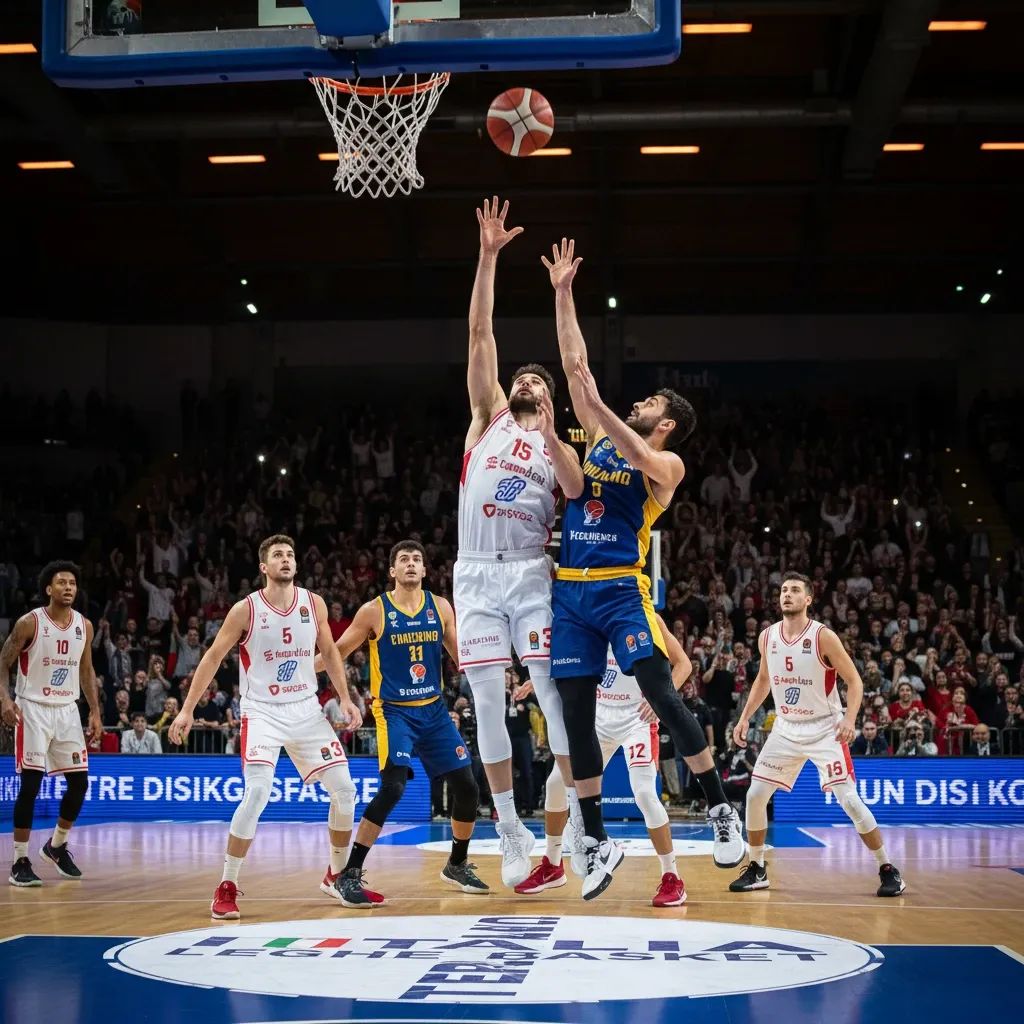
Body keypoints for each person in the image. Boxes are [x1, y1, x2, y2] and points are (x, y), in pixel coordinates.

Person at [542, 236, 744, 899]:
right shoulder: (599, 437)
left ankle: (718, 807)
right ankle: (595, 840)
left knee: (661, 690)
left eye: (649, 405)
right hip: (571, 590)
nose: (638, 406)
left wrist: (599, 410)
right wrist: (563, 292)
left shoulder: (668, 465)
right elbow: (575, 369)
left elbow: (618, 429)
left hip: (621, 590)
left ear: (666, 423)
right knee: (571, 716)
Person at [455, 197, 586, 887]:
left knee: (547, 690)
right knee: (484, 699)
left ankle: (582, 833)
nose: (526, 381)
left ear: (552, 399)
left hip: (533, 573)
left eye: (538, 380)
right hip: (476, 574)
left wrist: (554, 431)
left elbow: (574, 490)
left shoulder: (558, 447)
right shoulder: (488, 418)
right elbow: (480, 333)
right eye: (521, 378)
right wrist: (489, 255)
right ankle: (508, 829)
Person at [169, 535, 363, 920]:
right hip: (262, 712)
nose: (286, 559)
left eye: (290, 554)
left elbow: (329, 652)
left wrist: (344, 697)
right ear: (264, 567)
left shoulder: (314, 603)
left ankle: (337, 874)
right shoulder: (245, 611)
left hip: (307, 710)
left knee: (345, 790)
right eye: (278, 555)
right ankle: (226, 883)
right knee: (257, 794)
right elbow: (211, 659)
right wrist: (187, 710)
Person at [316, 540, 488, 905]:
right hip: (394, 711)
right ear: (392, 571)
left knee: (468, 787)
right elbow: (338, 652)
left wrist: (496, 672)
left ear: (425, 570)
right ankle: (348, 874)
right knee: (393, 789)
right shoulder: (373, 611)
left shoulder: (440, 607)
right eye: (404, 560)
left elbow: (460, 655)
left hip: (435, 711)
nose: (411, 564)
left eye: (417, 560)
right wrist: (299, 667)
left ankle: (456, 864)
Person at [730, 571, 907, 897]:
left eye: (795, 590)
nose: (787, 594)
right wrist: (744, 719)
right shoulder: (767, 636)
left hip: (825, 727)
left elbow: (855, 681)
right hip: (784, 727)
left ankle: (887, 867)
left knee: (850, 801)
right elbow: (763, 680)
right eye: (784, 590)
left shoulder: (823, 636)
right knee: (754, 796)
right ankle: (757, 868)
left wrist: (850, 719)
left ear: (808, 599)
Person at [515, 613, 693, 907]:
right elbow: (565, 658)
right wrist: (536, 682)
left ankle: (672, 877)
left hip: (637, 719)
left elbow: (683, 663)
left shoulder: (648, 619)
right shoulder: (589, 618)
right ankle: (553, 863)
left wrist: (661, 696)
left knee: (646, 795)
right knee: (556, 782)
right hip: (598, 715)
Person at [1, 561, 103, 886]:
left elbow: (86, 671)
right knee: (30, 785)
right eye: (62, 582)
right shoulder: (29, 623)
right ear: (49, 589)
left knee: (79, 783)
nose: (69, 587)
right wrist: (4, 700)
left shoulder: (84, 626)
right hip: (32, 708)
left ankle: (56, 846)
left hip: (67, 709)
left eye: (73, 583)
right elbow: (3, 663)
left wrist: (96, 711)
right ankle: (19, 860)